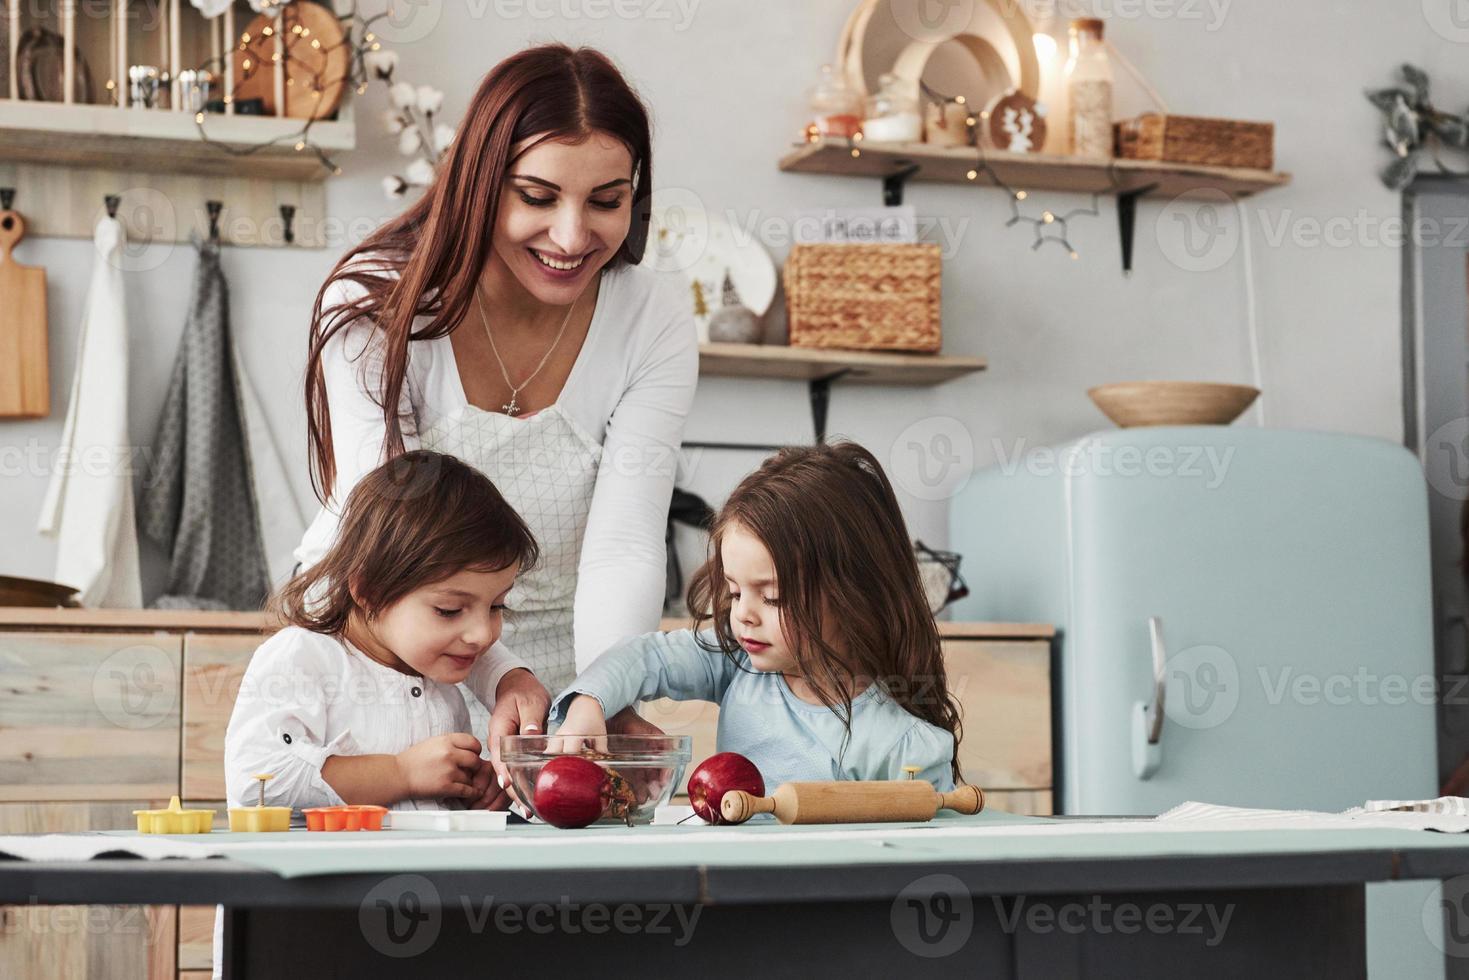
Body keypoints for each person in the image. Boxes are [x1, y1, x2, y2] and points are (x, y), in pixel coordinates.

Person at [297, 44, 699, 754]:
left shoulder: (653, 317)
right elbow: (393, 549)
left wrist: (603, 694)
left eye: (606, 201)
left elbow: (623, 547)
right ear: (481, 183)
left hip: (560, 672)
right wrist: (500, 671)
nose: (572, 237)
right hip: (380, 644)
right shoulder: (375, 304)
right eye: (537, 197)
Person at [549, 442, 966, 791]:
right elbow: (643, 658)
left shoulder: (904, 746)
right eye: (733, 591)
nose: (742, 615)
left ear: (853, 594)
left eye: (774, 598)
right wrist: (589, 703)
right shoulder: (736, 662)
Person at [225, 451, 539, 811]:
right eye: (449, 610)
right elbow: (255, 779)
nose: (483, 634)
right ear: (369, 590)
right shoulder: (303, 656)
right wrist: (399, 773)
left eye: (497, 606)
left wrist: (468, 791)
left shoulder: (439, 681)